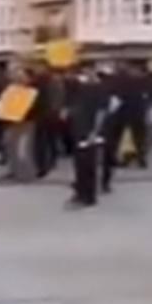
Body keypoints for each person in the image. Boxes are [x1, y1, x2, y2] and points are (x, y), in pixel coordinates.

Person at [65, 65, 109, 209]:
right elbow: (75, 106)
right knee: (78, 163)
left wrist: (95, 131)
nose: (85, 76)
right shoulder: (80, 88)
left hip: (90, 132)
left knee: (88, 163)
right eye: (83, 73)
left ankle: (89, 196)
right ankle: (79, 190)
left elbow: (101, 112)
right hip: (78, 130)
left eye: (88, 72)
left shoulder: (101, 89)